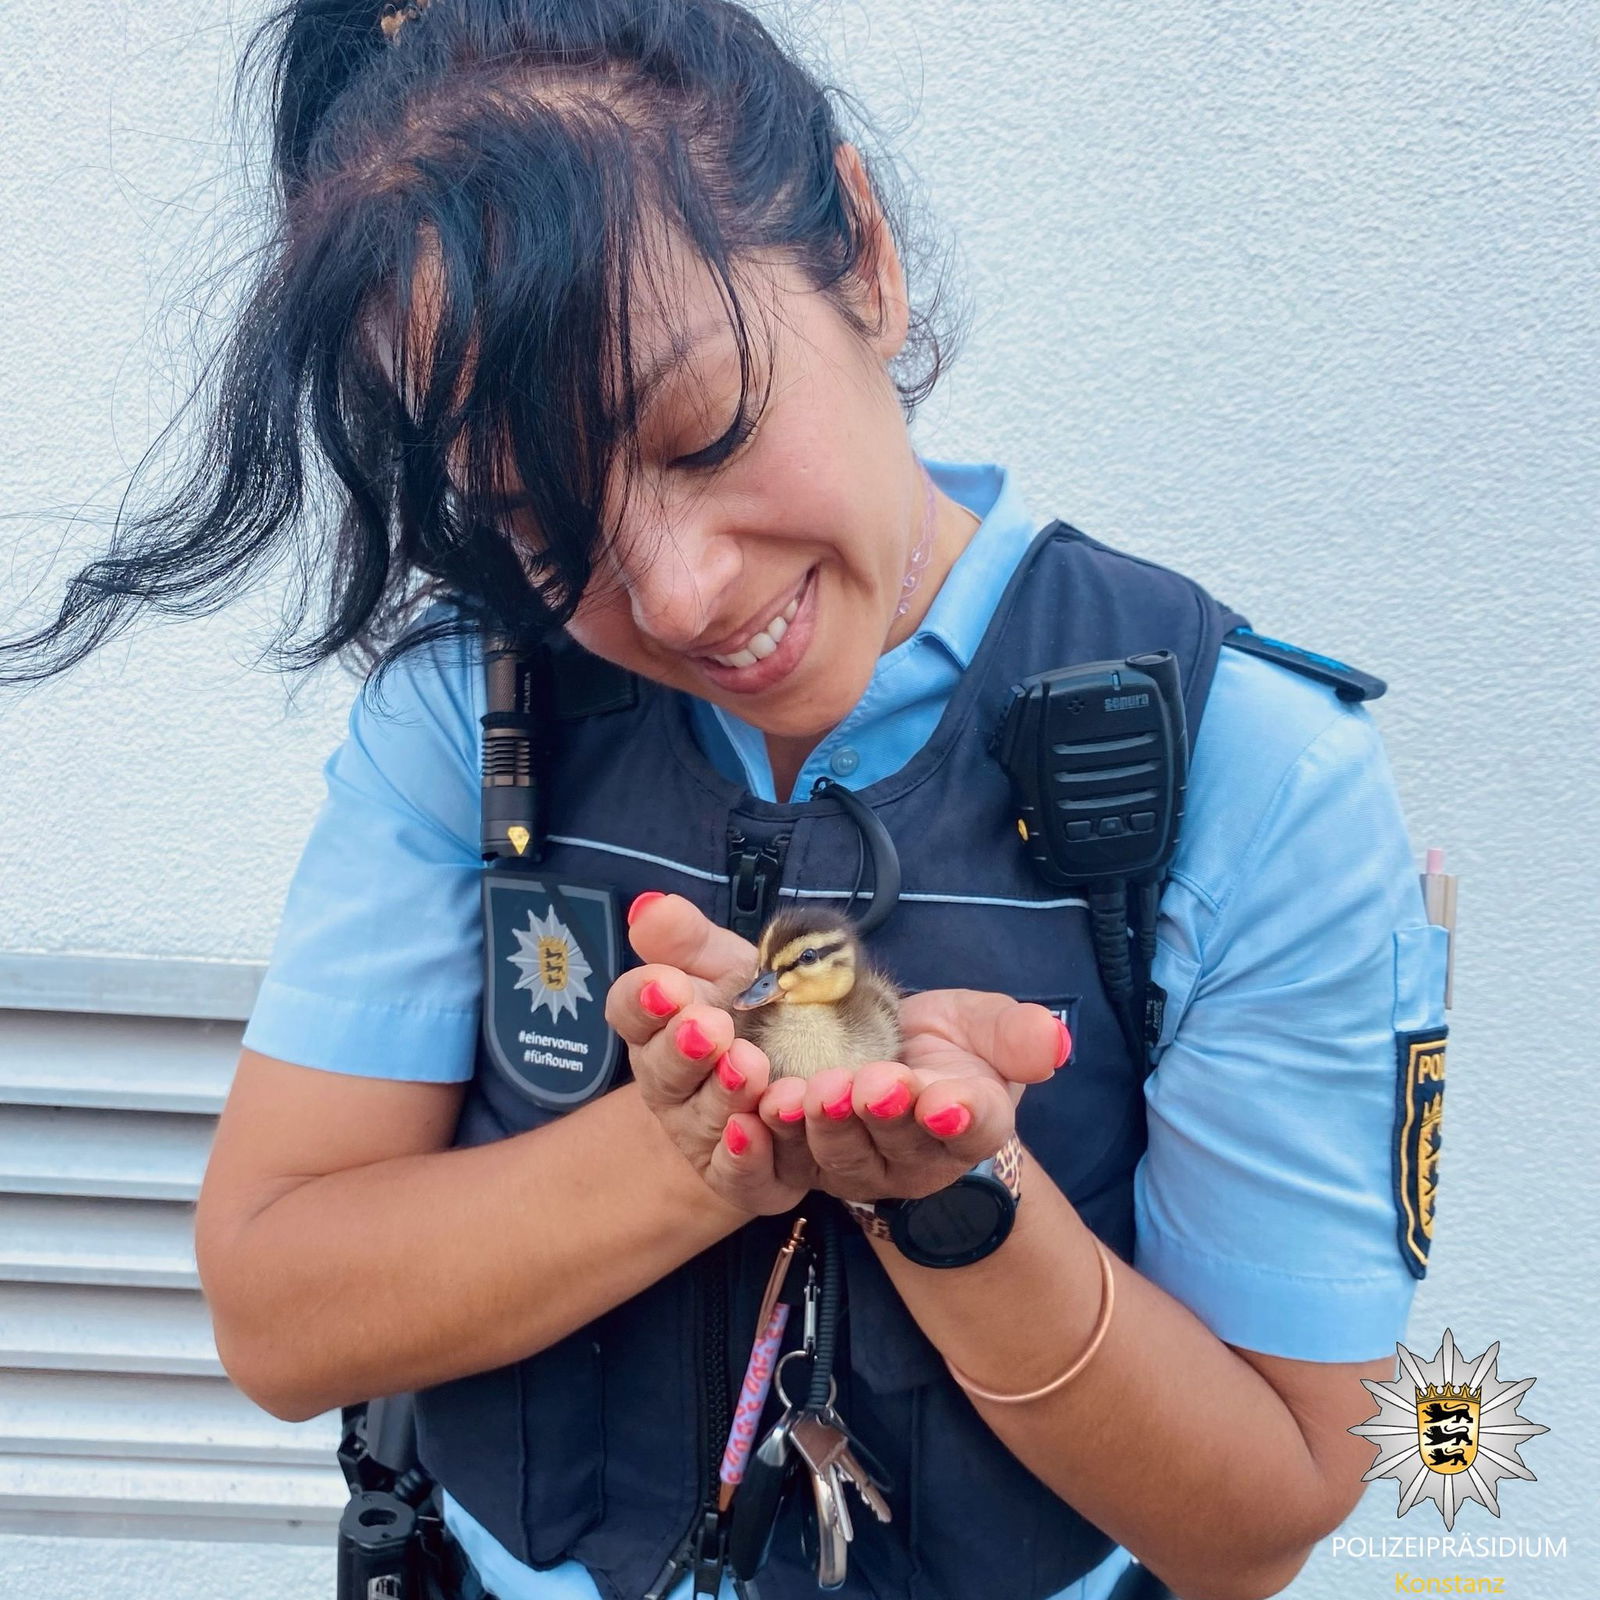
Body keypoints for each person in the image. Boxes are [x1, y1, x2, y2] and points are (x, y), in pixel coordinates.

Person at [3, 2, 1449, 1598]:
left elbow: (1256, 1518)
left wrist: (957, 1194)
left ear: (866, 262)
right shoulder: (468, 717)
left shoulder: (1251, 772)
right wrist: (697, 1149)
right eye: (540, 527)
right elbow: (277, 1312)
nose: (680, 595)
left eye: (707, 429)